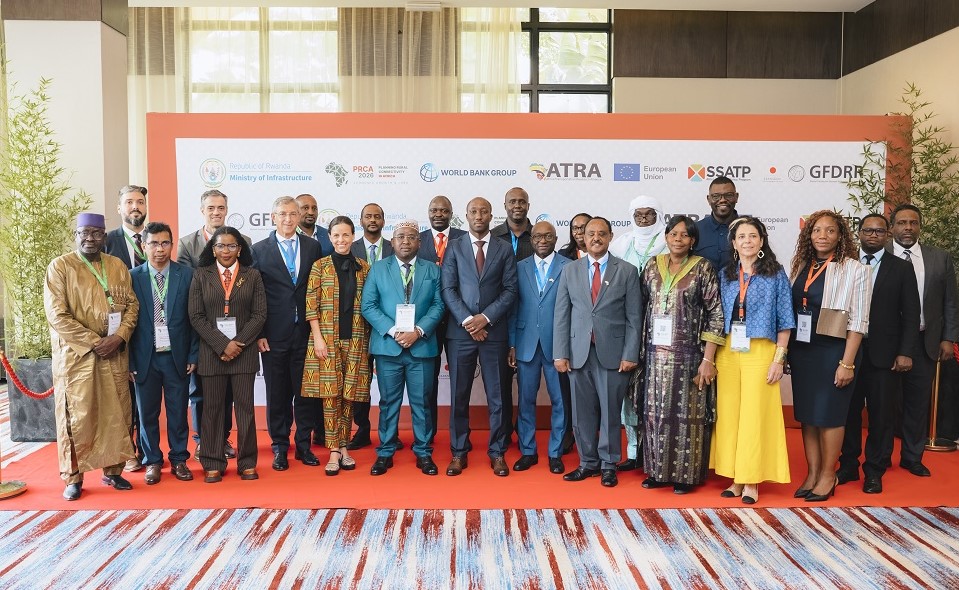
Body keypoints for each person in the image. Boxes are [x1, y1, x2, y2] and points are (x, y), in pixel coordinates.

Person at [44, 212, 140, 500]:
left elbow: (132, 306)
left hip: (114, 354)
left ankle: (114, 471)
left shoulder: (117, 265)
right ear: (76, 235)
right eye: (84, 233)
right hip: (77, 356)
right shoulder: (60, 267)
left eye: (96, 233)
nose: (90, 238)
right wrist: (95, 342)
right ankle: (73, 477)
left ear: (104, 237)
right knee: (76, 415)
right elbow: (57, 316)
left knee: (117, 412)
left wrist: (119, 337)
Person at [554, 217, 643, 489]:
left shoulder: (627, 271)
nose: (595, 238)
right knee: (582, 414)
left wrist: (630, 354)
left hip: (613, 355)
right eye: (590, 233)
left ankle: (608, 465)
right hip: (578, 353)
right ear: (583, 237)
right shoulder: (570, 270)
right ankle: (587, 462)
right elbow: (562, 314)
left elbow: (634, 317)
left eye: (601, 233)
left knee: (610, 412)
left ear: (610, 236)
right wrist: (560, 353)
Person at [789, 210, 871, 502]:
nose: (822, 236)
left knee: (830, 415)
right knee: (808, 415)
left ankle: (828, 474)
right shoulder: (801, 264)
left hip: (835, 350)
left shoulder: (855, 269)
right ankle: (812, 473)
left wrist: (847, 363)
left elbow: (859, 321)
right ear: (809, 235)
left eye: (830, 231)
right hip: (803, 349)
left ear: (840, 236)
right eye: (816, 230)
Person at [638, 215, 724, 494]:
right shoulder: (652, 266)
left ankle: (685, 476)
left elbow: (716, 314)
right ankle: (656, 471)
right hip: (654, 357)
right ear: (666, 237)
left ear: (693, 240)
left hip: (689, 357)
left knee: (686, 417)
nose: (678, 239)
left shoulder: (703, 268)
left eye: (684, 235)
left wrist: (708, 359)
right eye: (673, 234)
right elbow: (640, 308)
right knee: (655, 414)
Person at [711, 216, 794, 504]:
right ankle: (735, 477)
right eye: (741, 237)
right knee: (730, 415)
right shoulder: (725, 274)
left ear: (761, 241)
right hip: (728, 351)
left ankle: (752, 480)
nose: (747, 241)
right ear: (734, 244)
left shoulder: (775, 274)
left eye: (752, 236)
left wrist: (779, 360)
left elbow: (786, 320)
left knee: (755, 416)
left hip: (760, 351)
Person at [837, 213, 920, 494]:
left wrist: (905, 352)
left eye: (879, 231)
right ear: (859, 233)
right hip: (849, 352)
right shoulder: (845, 265)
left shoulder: (901, 268)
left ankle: (874, 470)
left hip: (885, 356)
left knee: (881, 416)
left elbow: (911, 314)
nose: (873, 235)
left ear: (888, 235)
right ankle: (848, 465)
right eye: (868, 230)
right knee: (848, 412)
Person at [441, 197, 518, 477]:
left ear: (490, 215)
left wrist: (485, 318)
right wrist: (469, 321)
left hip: (493, 332)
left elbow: (510, 290)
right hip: (460, 333)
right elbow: (448, 289)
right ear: (466, 215)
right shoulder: (454, 247)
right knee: (459, 395)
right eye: (473, 211)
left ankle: (497, 452)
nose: (478, 215)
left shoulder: (504, 248)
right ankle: (459, 452)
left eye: (484, 211)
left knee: (497, 397)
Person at [361, 220, 445, 476]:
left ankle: (423, 452)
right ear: (392, 242)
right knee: (388, 402)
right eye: (400, 237)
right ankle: (385, 452)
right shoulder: (378, 269)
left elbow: (439, 305)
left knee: (422, 403)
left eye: (411, 237)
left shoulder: (432, 270)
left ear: (419, 242)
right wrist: (394, 331)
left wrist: (417, 331)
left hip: (422, 347)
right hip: (389, 347)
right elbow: (368, 306)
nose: (405, 241)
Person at [188, 226, 267, 483]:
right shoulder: (201, 275)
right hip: (212, 354)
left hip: (243, 353)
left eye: (231, 246)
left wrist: (236, 344)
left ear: (239, 249)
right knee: (212, 410)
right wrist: (222, 345)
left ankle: (247, 462)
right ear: (213, 250)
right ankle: (212, 462)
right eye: (220, 246)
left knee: (245, 410)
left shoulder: (252, 276)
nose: (226, 251)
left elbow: (259, 315)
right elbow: (196, 316)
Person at [177, 189, 250, 460]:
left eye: (220, 208)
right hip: (202, 329)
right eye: (211, 208)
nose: (216, 212)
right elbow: (186, 288)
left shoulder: (244, 241)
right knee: (199, 391)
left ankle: (224, 438)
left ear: (226, 210)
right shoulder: (187, 244)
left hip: (236, 331)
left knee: (227, 391)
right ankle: (202, 440)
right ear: (202, 211)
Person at [252, 197, 324, 471]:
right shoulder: (259, 250)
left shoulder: (312, 246)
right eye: (282, 214)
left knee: (305, 393)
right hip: (273, 334)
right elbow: (256, 295)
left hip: (305, 332)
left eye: (293, 214)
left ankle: (303, 446)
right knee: (277, 394)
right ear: (273, 217)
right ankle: (280, 447)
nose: (288, 219)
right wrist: (259, 332)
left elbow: (317, 288)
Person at [886, 203, 958, 477]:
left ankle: (912, 457)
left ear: (920, 226)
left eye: (913, 223)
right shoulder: (879, 254)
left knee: (918, 403)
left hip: (925, 341)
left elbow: (950, 301)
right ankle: (881, 457)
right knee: (885, 403)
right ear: (892, 227)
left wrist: (949, 337)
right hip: (887, 342)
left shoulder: (940, 258)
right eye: (902, 223)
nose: (908, 227)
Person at [129, 222, 199, 485]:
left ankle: (179, 459)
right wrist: (129, 360)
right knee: (146, 413)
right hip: (144, 357)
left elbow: (195, 319)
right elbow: (127, 322)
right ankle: (152, 461)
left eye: (165, 243)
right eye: (154, 243)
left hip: (176, 356)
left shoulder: (187, 275)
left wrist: (193, 355)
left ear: (172, 244)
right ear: (143, 245)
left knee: (177, 412)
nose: (160, 249)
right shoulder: (132, 277)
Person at [303, 216, 372, 476]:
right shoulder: (320, 266)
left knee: (349, 396)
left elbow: (369, 304)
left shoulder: (363, 267)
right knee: (330, 395)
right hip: (326, 341)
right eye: (336, 235)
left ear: (353, 236)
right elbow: (311, 304)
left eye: (346, 235)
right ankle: (333, 449)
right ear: (330, 237)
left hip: (356, 339)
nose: (341, 240)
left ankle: (344, 446)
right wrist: (317, 338)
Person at [610, 195, 669, 473]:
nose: (643, 219)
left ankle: (654, 452)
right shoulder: (621, 244)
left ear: (658, 215)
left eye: (649, 214)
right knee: (629, 392)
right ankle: (633, 451)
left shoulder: (669, 242)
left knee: (657, 393)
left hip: (662, 330)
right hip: (628, 327)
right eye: (638, 215)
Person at [508, 220, 570, 474]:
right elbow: (512, 308)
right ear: (531, 240)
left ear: (555, 239)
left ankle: (555, 452)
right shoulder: (519, 267)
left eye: (548, 236)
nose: (542, 241)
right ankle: (528, 451)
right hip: (526, 344)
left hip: (558, 345)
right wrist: (512, 343)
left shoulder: (569, 267)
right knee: (525, 401)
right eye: (537, 237)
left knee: (560, 401)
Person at [104, 184, 149, 473]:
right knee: (123, 394)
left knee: (147, 394)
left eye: (140, 202)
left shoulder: (155, 238)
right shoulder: (107, 241)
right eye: (130, 202)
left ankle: (147, 449)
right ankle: (127, 450)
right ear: (119, 208)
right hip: (119, 329)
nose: (135, 207)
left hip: (153, 326)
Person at [418, 195, 467, 443]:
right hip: (427, 323)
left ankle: (459, 437)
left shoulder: (465, 238)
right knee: (427, 384)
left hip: (460, 321)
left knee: (460, 383)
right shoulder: (418, 240)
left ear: (451, 213)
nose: (438, 214)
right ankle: (428, 435)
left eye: (444, 210)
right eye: (434, 210)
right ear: (428, 212)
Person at [347, 202, 394, 451]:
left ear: (384, 221)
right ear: (361, 221)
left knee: (390, 384)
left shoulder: (395, 247)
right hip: (357, 326)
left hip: (389, 327)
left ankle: (390, 432)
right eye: (368, 216)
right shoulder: (349, 248)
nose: (373, 220)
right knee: (359, 382)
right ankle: (362, 429)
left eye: (377, 216)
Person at [556, 212, 592, 454]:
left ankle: (592, 436)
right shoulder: (563, 258)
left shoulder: (608, 258)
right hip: (571, 334)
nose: (579, 232)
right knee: (568, 392)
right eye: (575, 228)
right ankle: (569, 433)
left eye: (583, 228)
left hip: (597, 337)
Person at [694, 176, 740, 270]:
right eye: (716, 196)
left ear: (736, 197)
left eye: (728, 195)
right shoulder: (695, 229)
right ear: (708, 199)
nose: (722, 200)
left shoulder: (749, 230)